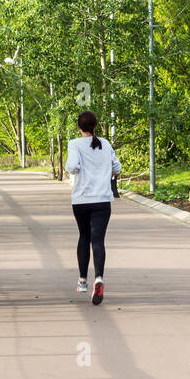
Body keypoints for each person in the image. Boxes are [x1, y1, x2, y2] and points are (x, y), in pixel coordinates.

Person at [65, 111, 120, 305]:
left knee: (84, 237)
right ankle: (99, 278)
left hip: (81, 200)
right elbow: (117, 168)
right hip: (103, 200)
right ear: (95, 126)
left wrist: (78, 169)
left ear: (79, 127)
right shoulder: (105, 144)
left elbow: (71, 166)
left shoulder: (74, 144)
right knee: (98, 240)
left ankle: (82, 281)